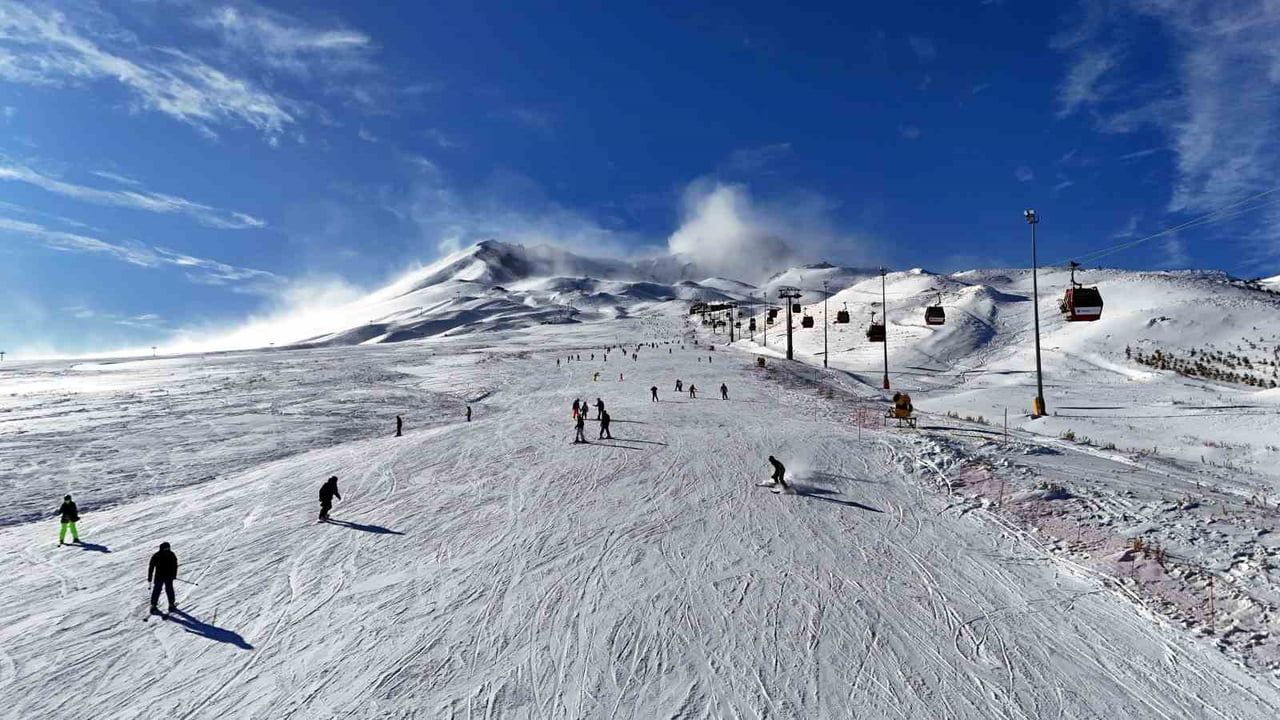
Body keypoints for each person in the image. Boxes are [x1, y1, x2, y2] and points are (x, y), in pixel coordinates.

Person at [148, 542, 179, 613]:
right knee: (158, 590)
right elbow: (151, 567)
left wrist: (174, 575)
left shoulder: (170, 554)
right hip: (161, 576)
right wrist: (150, 577)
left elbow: (175, 565)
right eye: (166, 548)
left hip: (167, 576)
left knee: (168, 589)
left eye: (168, 548)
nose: (167, 550)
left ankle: (170, 604)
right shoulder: (158, 555)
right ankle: (154, 605)